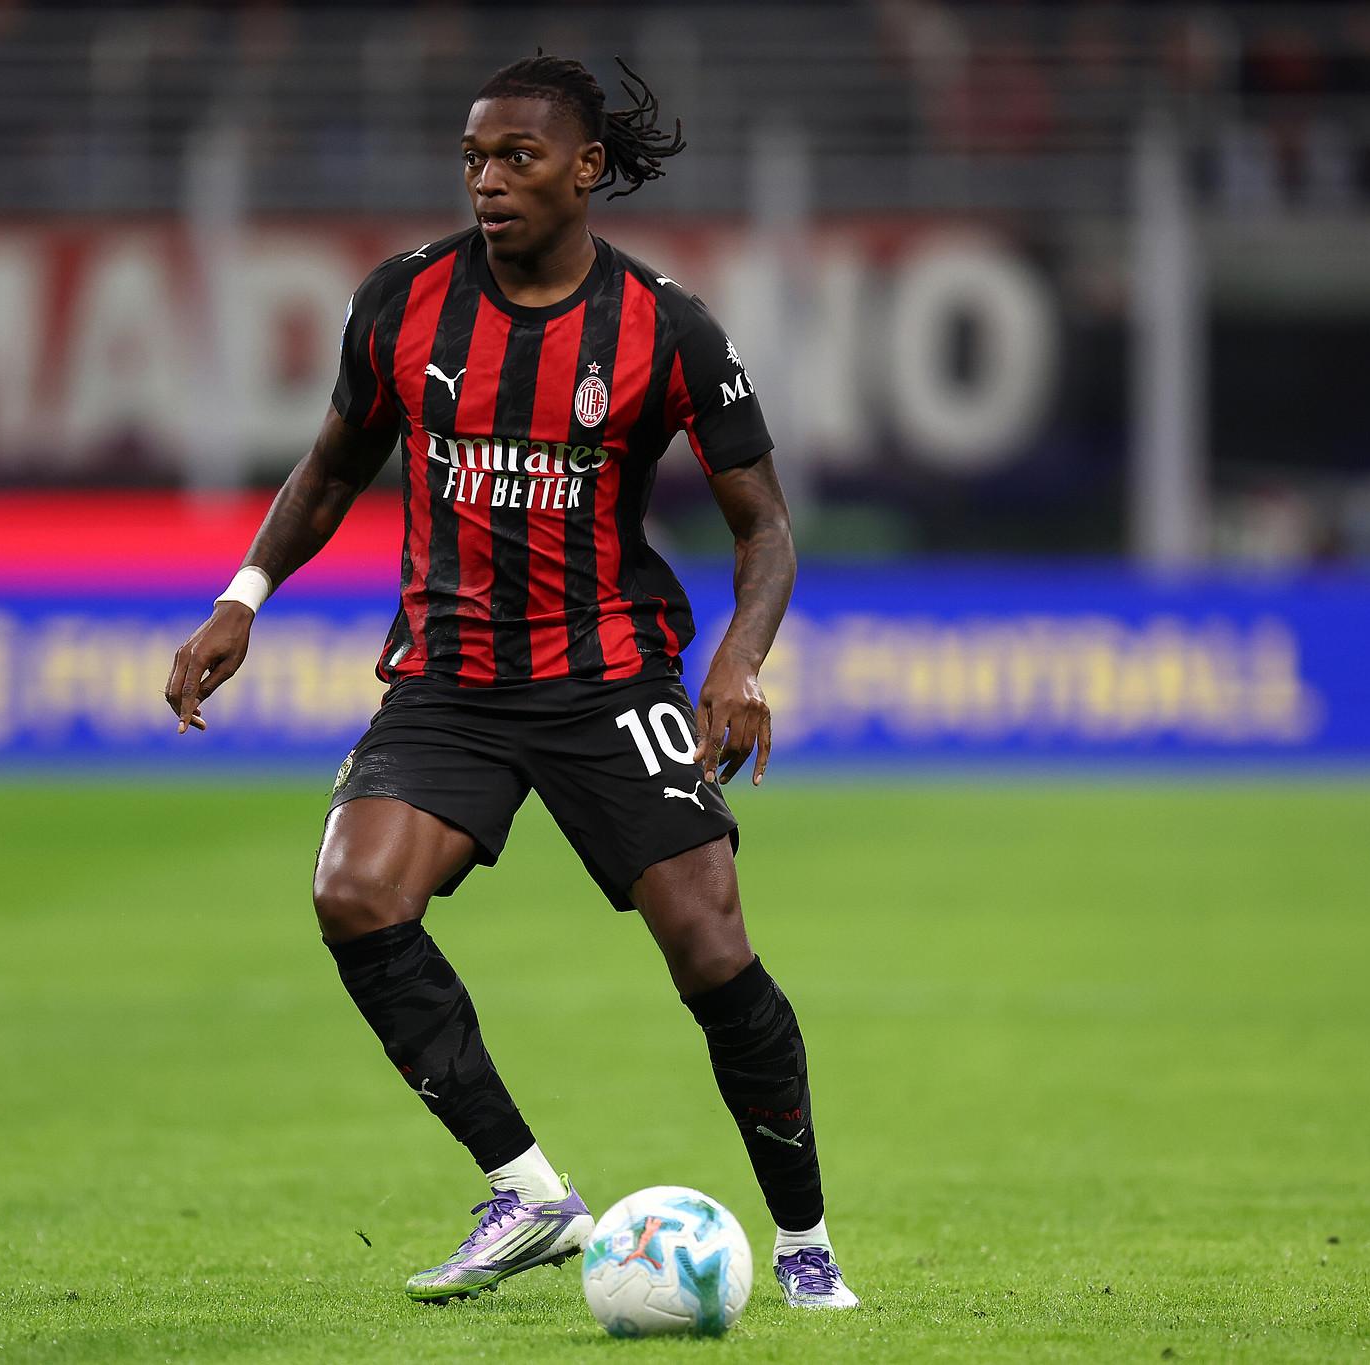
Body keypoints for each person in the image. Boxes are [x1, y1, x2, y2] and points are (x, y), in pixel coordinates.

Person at [165, 54, 857, 1313]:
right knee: (353, 893)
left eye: (516, 158)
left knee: (709, 947)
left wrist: (739, 658)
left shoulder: (665, 327)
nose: (486, 181)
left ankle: (805, 1244)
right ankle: (527, 1192)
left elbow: (763, 526)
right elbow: (331, 467)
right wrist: (243, 595)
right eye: (473, 159)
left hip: (608, 676)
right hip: (450, 678)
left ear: (584, 169)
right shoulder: (402, 300)